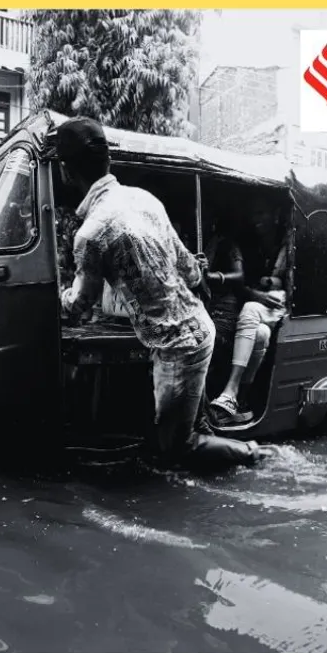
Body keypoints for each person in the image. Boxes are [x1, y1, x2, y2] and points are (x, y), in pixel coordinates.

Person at [56, 117, 259, 468]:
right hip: (198, 329)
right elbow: (190, 268)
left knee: (177, 448)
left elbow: (79, 305)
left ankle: (259, 457)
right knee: (185, 427)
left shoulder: (90, 235)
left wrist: (59, 293)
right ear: (108, 160)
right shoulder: (144, 199)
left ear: (65, 171)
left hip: (177, 346)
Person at [202, 217, 286, 427]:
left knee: (249, 312)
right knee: (261, 334)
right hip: (252, 304)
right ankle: (239, 400)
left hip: (277, 301)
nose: (258, 221)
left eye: (261, 214)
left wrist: (265, 287)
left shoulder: (286, 242)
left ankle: (232, 392)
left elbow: (241, 280)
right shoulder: (255, 246)